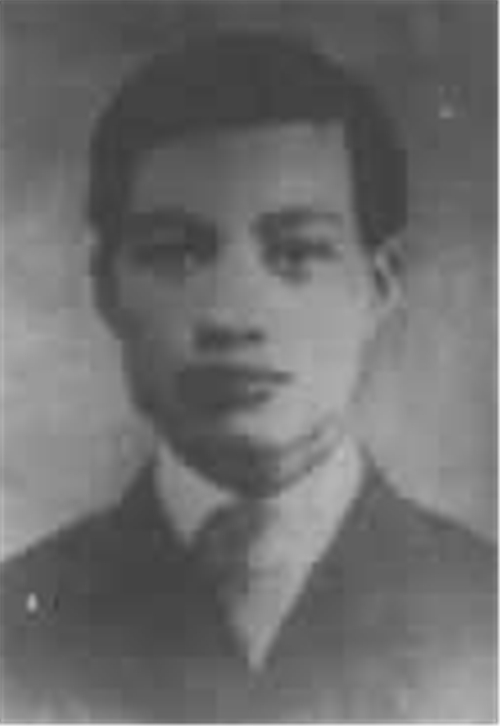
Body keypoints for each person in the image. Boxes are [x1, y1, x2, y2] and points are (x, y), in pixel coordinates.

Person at [1, 30, 496, 722]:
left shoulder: (481, 613)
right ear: (107, 289)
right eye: (174, 254)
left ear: (380, 285)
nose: (232, 316)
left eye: (297, 253)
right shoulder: (15, 631)